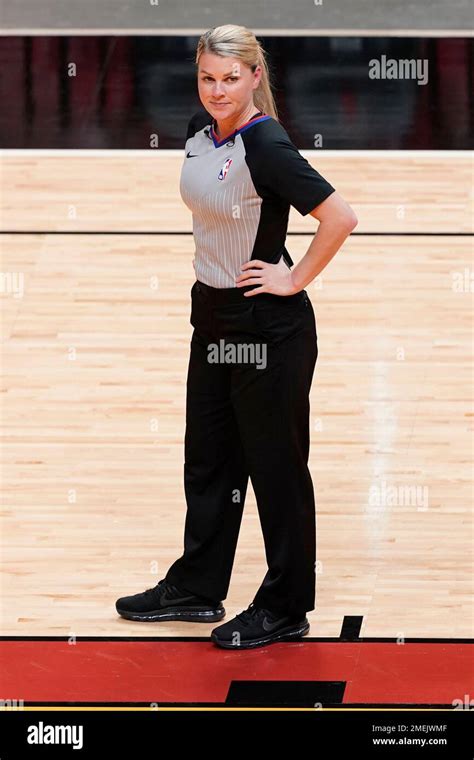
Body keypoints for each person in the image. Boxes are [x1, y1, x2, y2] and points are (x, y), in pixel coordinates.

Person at [116, 24, 358, 649]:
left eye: (230, 79)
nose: (217, 91)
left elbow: (340, 216)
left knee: (276, 469)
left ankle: (286, 606)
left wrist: (293, 277)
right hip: (212, 316)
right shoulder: (202, 138)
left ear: (255, 77)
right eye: (207, 78)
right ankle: (197, 586)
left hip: (266, 326)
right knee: (211, 459)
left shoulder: (266, 144)